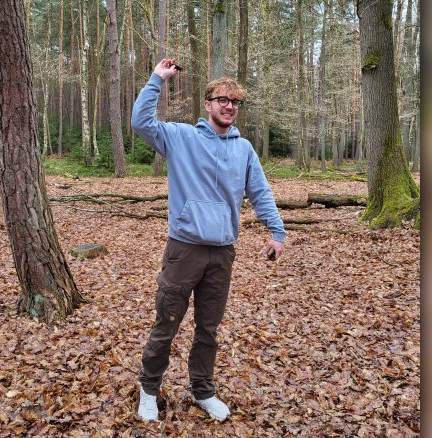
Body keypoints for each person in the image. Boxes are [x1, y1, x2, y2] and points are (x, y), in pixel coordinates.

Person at [130, 58, 286, 422]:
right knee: (167, 322)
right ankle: (149, 389)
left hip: (222, 253)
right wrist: (157, 79)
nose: (229, 106)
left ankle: (203, 391)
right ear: (208, 104)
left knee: (208, 329)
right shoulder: (181, 137)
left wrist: (276, 231)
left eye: (235, 102)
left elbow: (260, 191)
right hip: (184, 249)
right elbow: (140, 122)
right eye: (222, 99)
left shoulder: (243, 149)